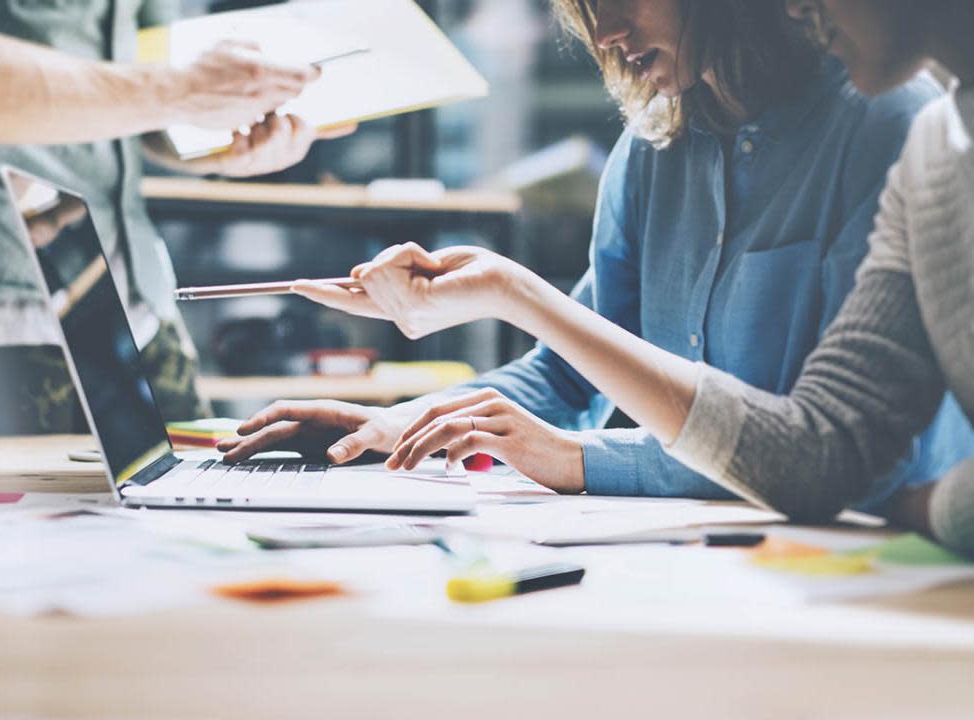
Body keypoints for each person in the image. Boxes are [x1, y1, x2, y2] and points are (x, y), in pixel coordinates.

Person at [237, 0, 974, 556]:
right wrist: (399, 426)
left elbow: (849, 457)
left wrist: (578, 460)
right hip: (715, 562)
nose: (607, 34)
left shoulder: (896, 125)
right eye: (587, 10)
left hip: (861, 556)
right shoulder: (654, 145)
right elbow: (568, 377)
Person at [0, 4, 352, 434]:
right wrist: (180, 90)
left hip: (142, 306)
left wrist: (225, 146)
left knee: (202, 492)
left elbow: (149, 100)